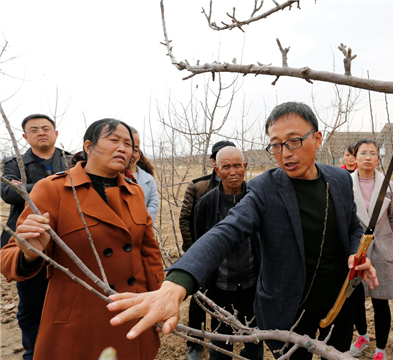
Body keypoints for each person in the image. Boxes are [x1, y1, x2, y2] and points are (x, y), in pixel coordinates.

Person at [108, 102, 378, 360]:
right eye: (275, 145)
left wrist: (357, 253)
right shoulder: (265, 188)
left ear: (317, 139)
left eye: (294, 141)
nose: (285, 153)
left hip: (339, 302)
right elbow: (226, 231)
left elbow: (352, 225)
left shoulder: (339, 179)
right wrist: (177, 283)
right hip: (290, 308)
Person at [0, 119, 165, 360]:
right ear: (88, 146)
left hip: (132, 311)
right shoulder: (52, 189)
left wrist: (159, 301)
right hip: (80, 319)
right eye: (114, 140)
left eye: (128, 144)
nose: (123, 148)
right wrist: (30, 253)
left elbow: (150, 255)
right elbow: (8, 257)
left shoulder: (134, 191)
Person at [0, 114, 71, 360]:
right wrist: (54, 186)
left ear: (55, 133)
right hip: (29, 242)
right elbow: (9, 192)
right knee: (32, 302)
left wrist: (29, 187)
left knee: (70, 298)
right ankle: (35, 352)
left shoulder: (72, 160)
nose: (41, 133)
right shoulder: (14, 162)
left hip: (68, 240)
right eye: (34, 130)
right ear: (25, 136)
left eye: (45, 128)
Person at [193, 146, 263, 360]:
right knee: (221, 344)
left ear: (245, 167)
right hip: (220, 288)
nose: (232, 171)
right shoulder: (205, 204)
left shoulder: (258, 200)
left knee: (253, 340)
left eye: (237, 165)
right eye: (226, 167)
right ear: (216, 169)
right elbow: (200, 245)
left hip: (252, 285)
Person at [178, 139, 235, 360]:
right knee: (199, 299)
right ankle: (195, 343)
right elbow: (185, 219)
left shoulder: (241, 186)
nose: (229, 167)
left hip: (228, 258)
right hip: (202, 255)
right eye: (223, 160)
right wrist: (194, 253)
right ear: (215, 163)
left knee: (224, 301)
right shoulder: (198, 186)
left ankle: (224, 338)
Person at [349, 139, 393, 360]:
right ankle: (362, 336)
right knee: (355, 299)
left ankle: (380, 349)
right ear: (355, 157)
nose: (368, 157)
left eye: (373, 153)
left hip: (382, 250)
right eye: (363, 153)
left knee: (381, 303)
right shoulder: (345, 183)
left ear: (378, 158)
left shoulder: (389, 185)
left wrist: (382, 236)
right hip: (356, 252)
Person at [127, 127, 159, 222]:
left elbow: (153, 205)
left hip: (145, 229)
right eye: (128, 147)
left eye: (136, 150)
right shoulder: (112, 176)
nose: (132, 153)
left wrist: (141, 223)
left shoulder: (148, 179)